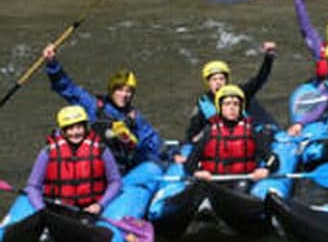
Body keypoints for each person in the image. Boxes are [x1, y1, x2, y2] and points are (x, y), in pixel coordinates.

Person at [42, 44, 163, 174]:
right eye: (119, 90)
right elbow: (67, 88)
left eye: (128, 91)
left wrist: (172, 154)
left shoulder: (135, 118)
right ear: (111, 90)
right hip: (92, 167)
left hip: (120, 171)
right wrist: (52, 63)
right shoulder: (93, 106)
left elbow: (153, 142)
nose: (124, 95)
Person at [25, 105, 121, 214]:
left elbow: (115, 181)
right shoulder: (48, 152)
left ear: (85, 127)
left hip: (90, 210)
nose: (75, 133)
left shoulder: (101, 149)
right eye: (70, 129)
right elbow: (33, 186)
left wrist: (100, 205)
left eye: (79, 127)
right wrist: (41, 209)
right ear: (63, 131)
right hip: (57, 209)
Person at [185, 41, 278, 143]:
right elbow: (192, 134)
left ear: (226, 80)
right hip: (220, 143)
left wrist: (268, 59)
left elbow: (259, 79)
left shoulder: (240, 92)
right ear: (208, 83)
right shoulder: (203, 103)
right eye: (214, 79)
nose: (218, 83)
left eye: (221, 79)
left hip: (244, 140)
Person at [184, 85, 278, 185]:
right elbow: (190, 163)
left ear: (241, 108)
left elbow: (273, 159)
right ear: (220, 107)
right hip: (214, 182)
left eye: (236, 104)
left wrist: (266, 169)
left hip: (242, 183)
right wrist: (197, 172)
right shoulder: (209, 133)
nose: (232, 108)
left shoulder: (251, 132)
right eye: (227, 104)